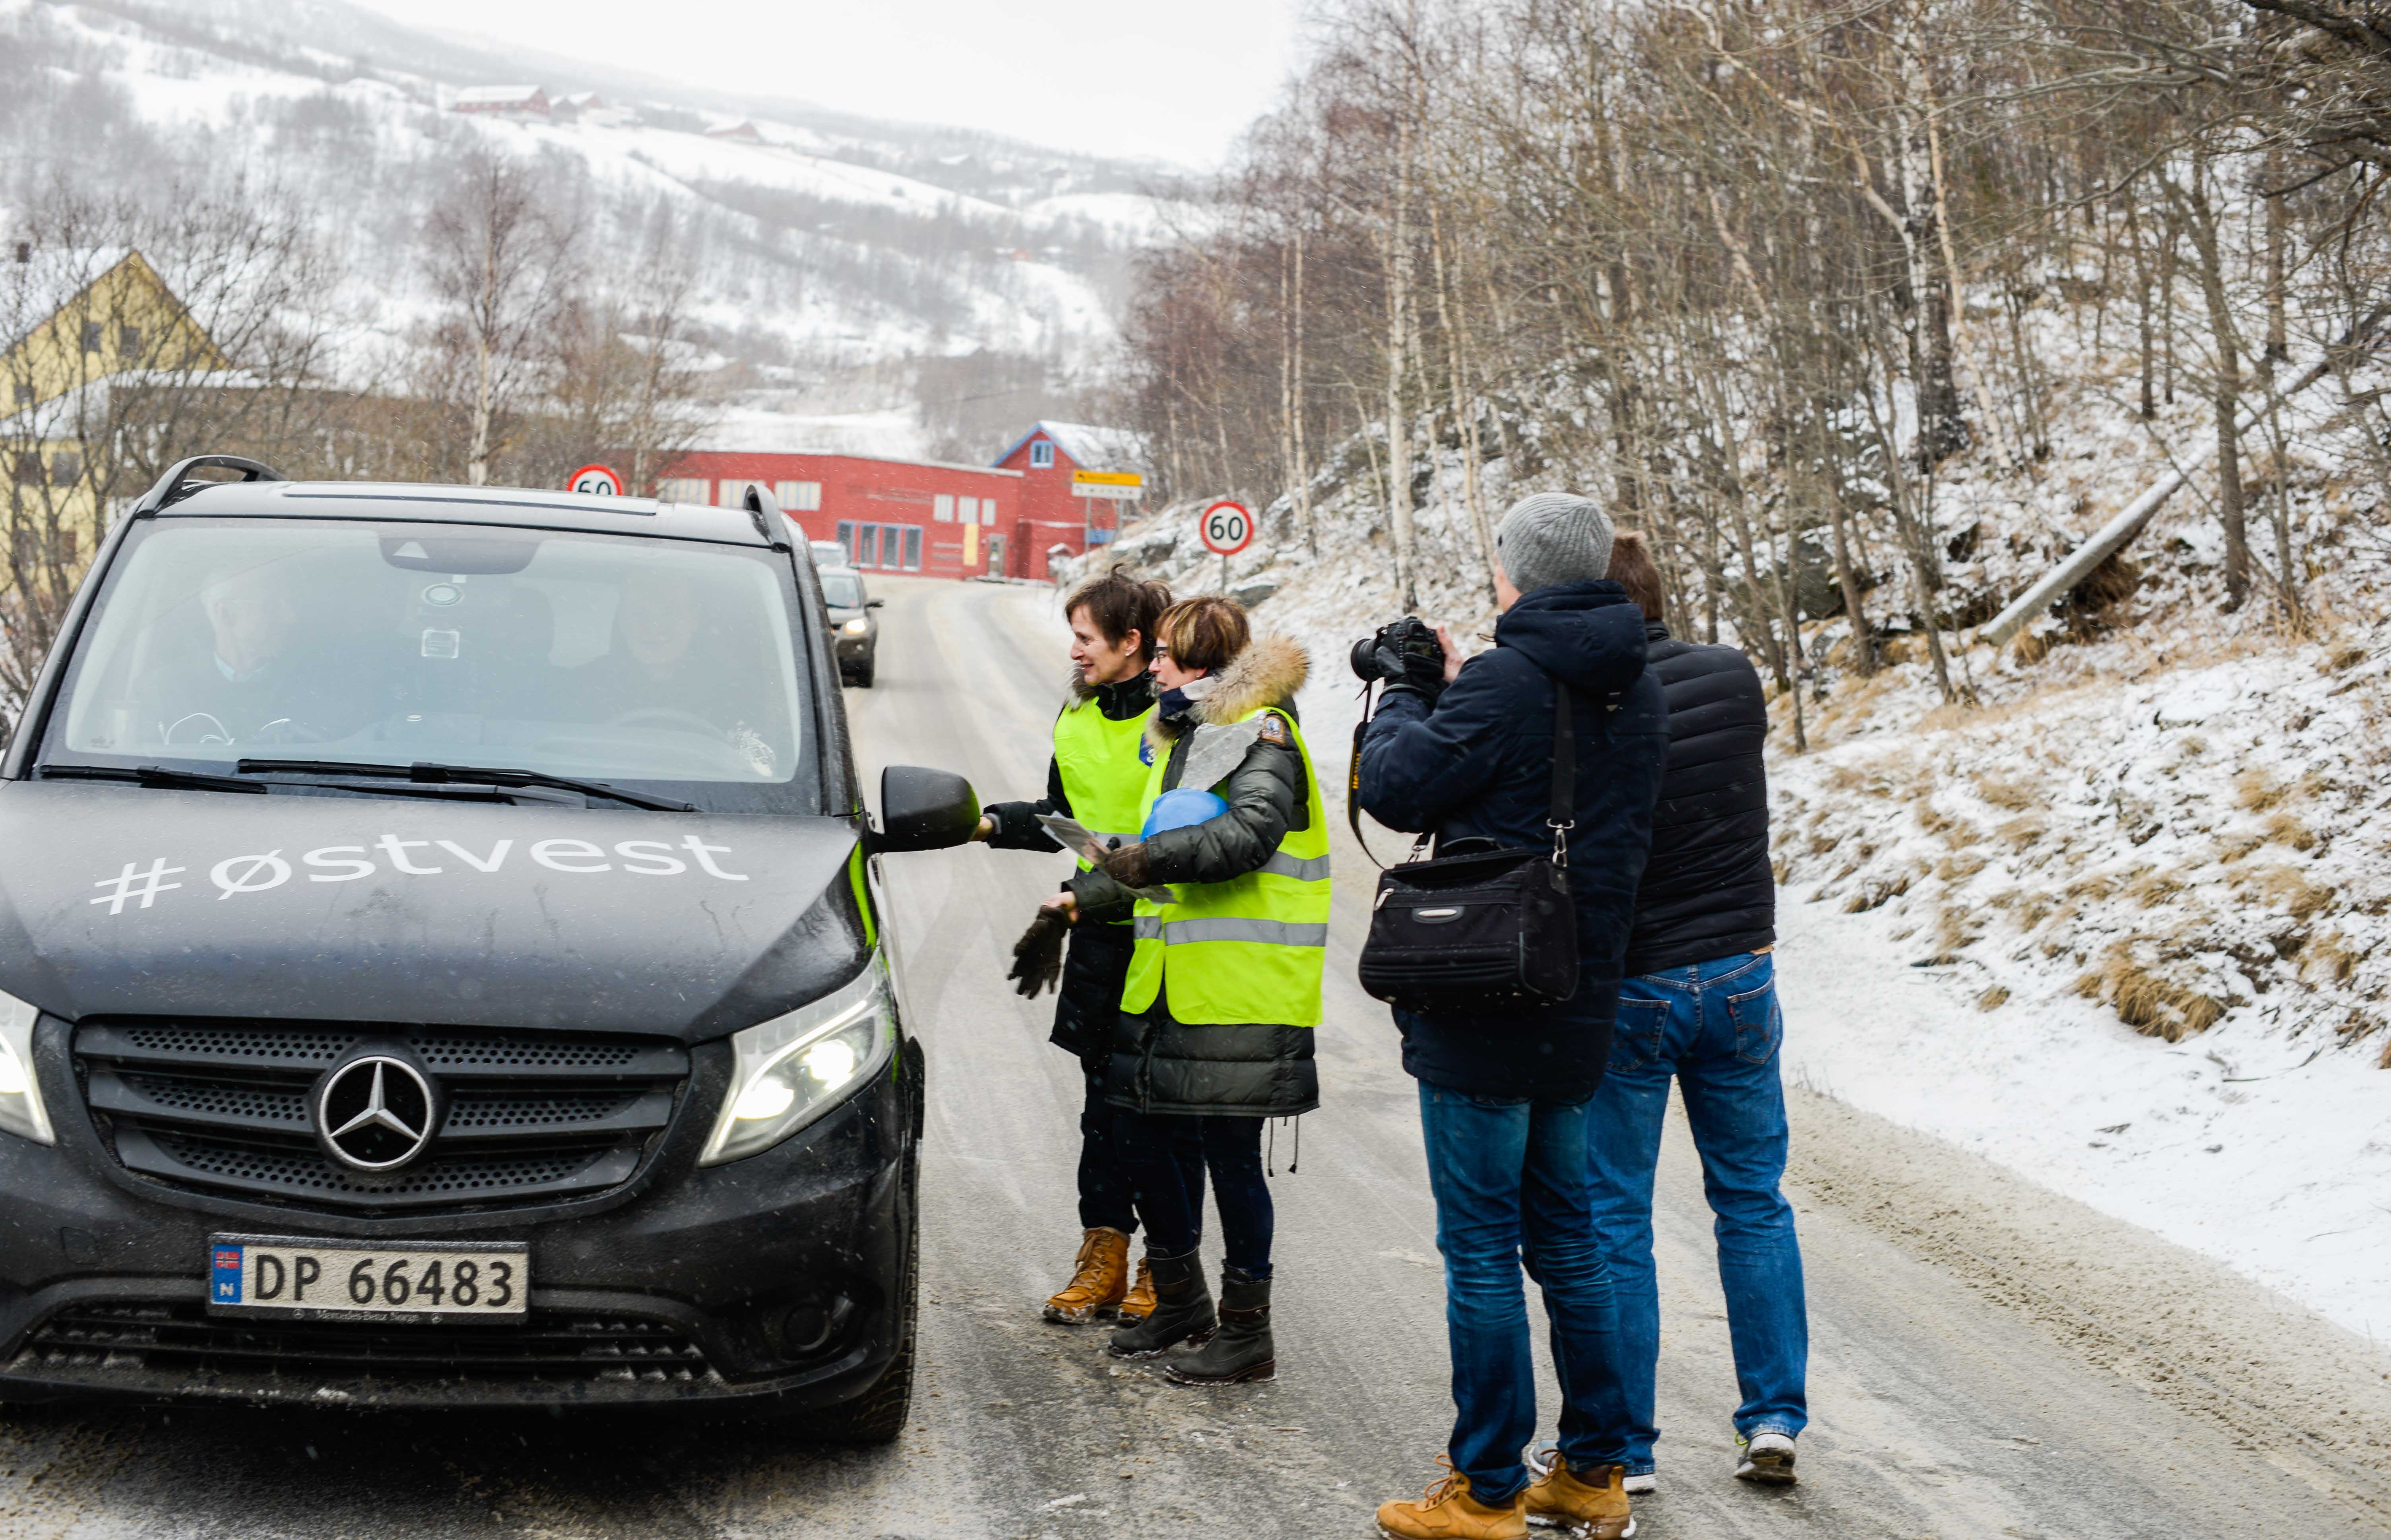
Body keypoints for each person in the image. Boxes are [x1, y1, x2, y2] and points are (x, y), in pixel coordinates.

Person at [1357, 493, 1668, 1540]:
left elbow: (1397, 787)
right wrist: (1455, 692)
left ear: (1514, 573)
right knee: (1569, 1239)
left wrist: (1407, 689)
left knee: (1482, 1245)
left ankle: (1486, 1486)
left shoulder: (1505, 679)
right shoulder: (1636, 685)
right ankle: (1591, 1471)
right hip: (1579, 994)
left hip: (1484, 990)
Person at [1045, 594, 1326, 1387]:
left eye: (1167, 653)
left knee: (1230, 1159)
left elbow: (1247, 834)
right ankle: (1179, 1299)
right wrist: (1082, 896)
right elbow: (1153, 853)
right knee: (1141, 1135)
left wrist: (1150, 858)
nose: (1156, 666)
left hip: (1241, 988)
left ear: (1203, 663)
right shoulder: (1182, 735)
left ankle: (1246, 1331)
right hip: (1169, 982)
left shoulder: (1261, 734)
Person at [1578, 532, 1807, 1490]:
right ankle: (1774, 1417)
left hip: (1635, 987)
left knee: (1615, 1215)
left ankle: (1625, 1447)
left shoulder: (1584, 705)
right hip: (1742, 976)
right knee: (1752, 1201)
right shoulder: (1733, 675)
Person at [980, 567, 1202, 1328]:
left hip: (1172, 936)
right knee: (1102, 1105)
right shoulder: (1077, 715)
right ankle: (1102, 1253)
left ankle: (1165, 1264)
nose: (1074, 651)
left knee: (1165, 1108)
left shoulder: (1186, 720)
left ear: (1132, 640)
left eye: (1085, 637)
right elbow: (1062, 815)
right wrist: (985, 823)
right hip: (1099, 931)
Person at [138, 563, 351, 746]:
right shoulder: (163, 690)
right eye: (273, 606)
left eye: (288, 604)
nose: (290, 618)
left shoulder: (319, 686)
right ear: (226, 614)